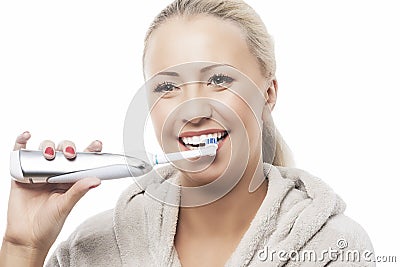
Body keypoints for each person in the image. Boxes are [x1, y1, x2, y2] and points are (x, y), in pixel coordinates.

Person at [0, 0, 375, 266]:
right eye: (167, 87)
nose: (192, 110)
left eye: (219, 79)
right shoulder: (90, 251)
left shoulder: (334, 248)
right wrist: (22, 248)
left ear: (268, 94)